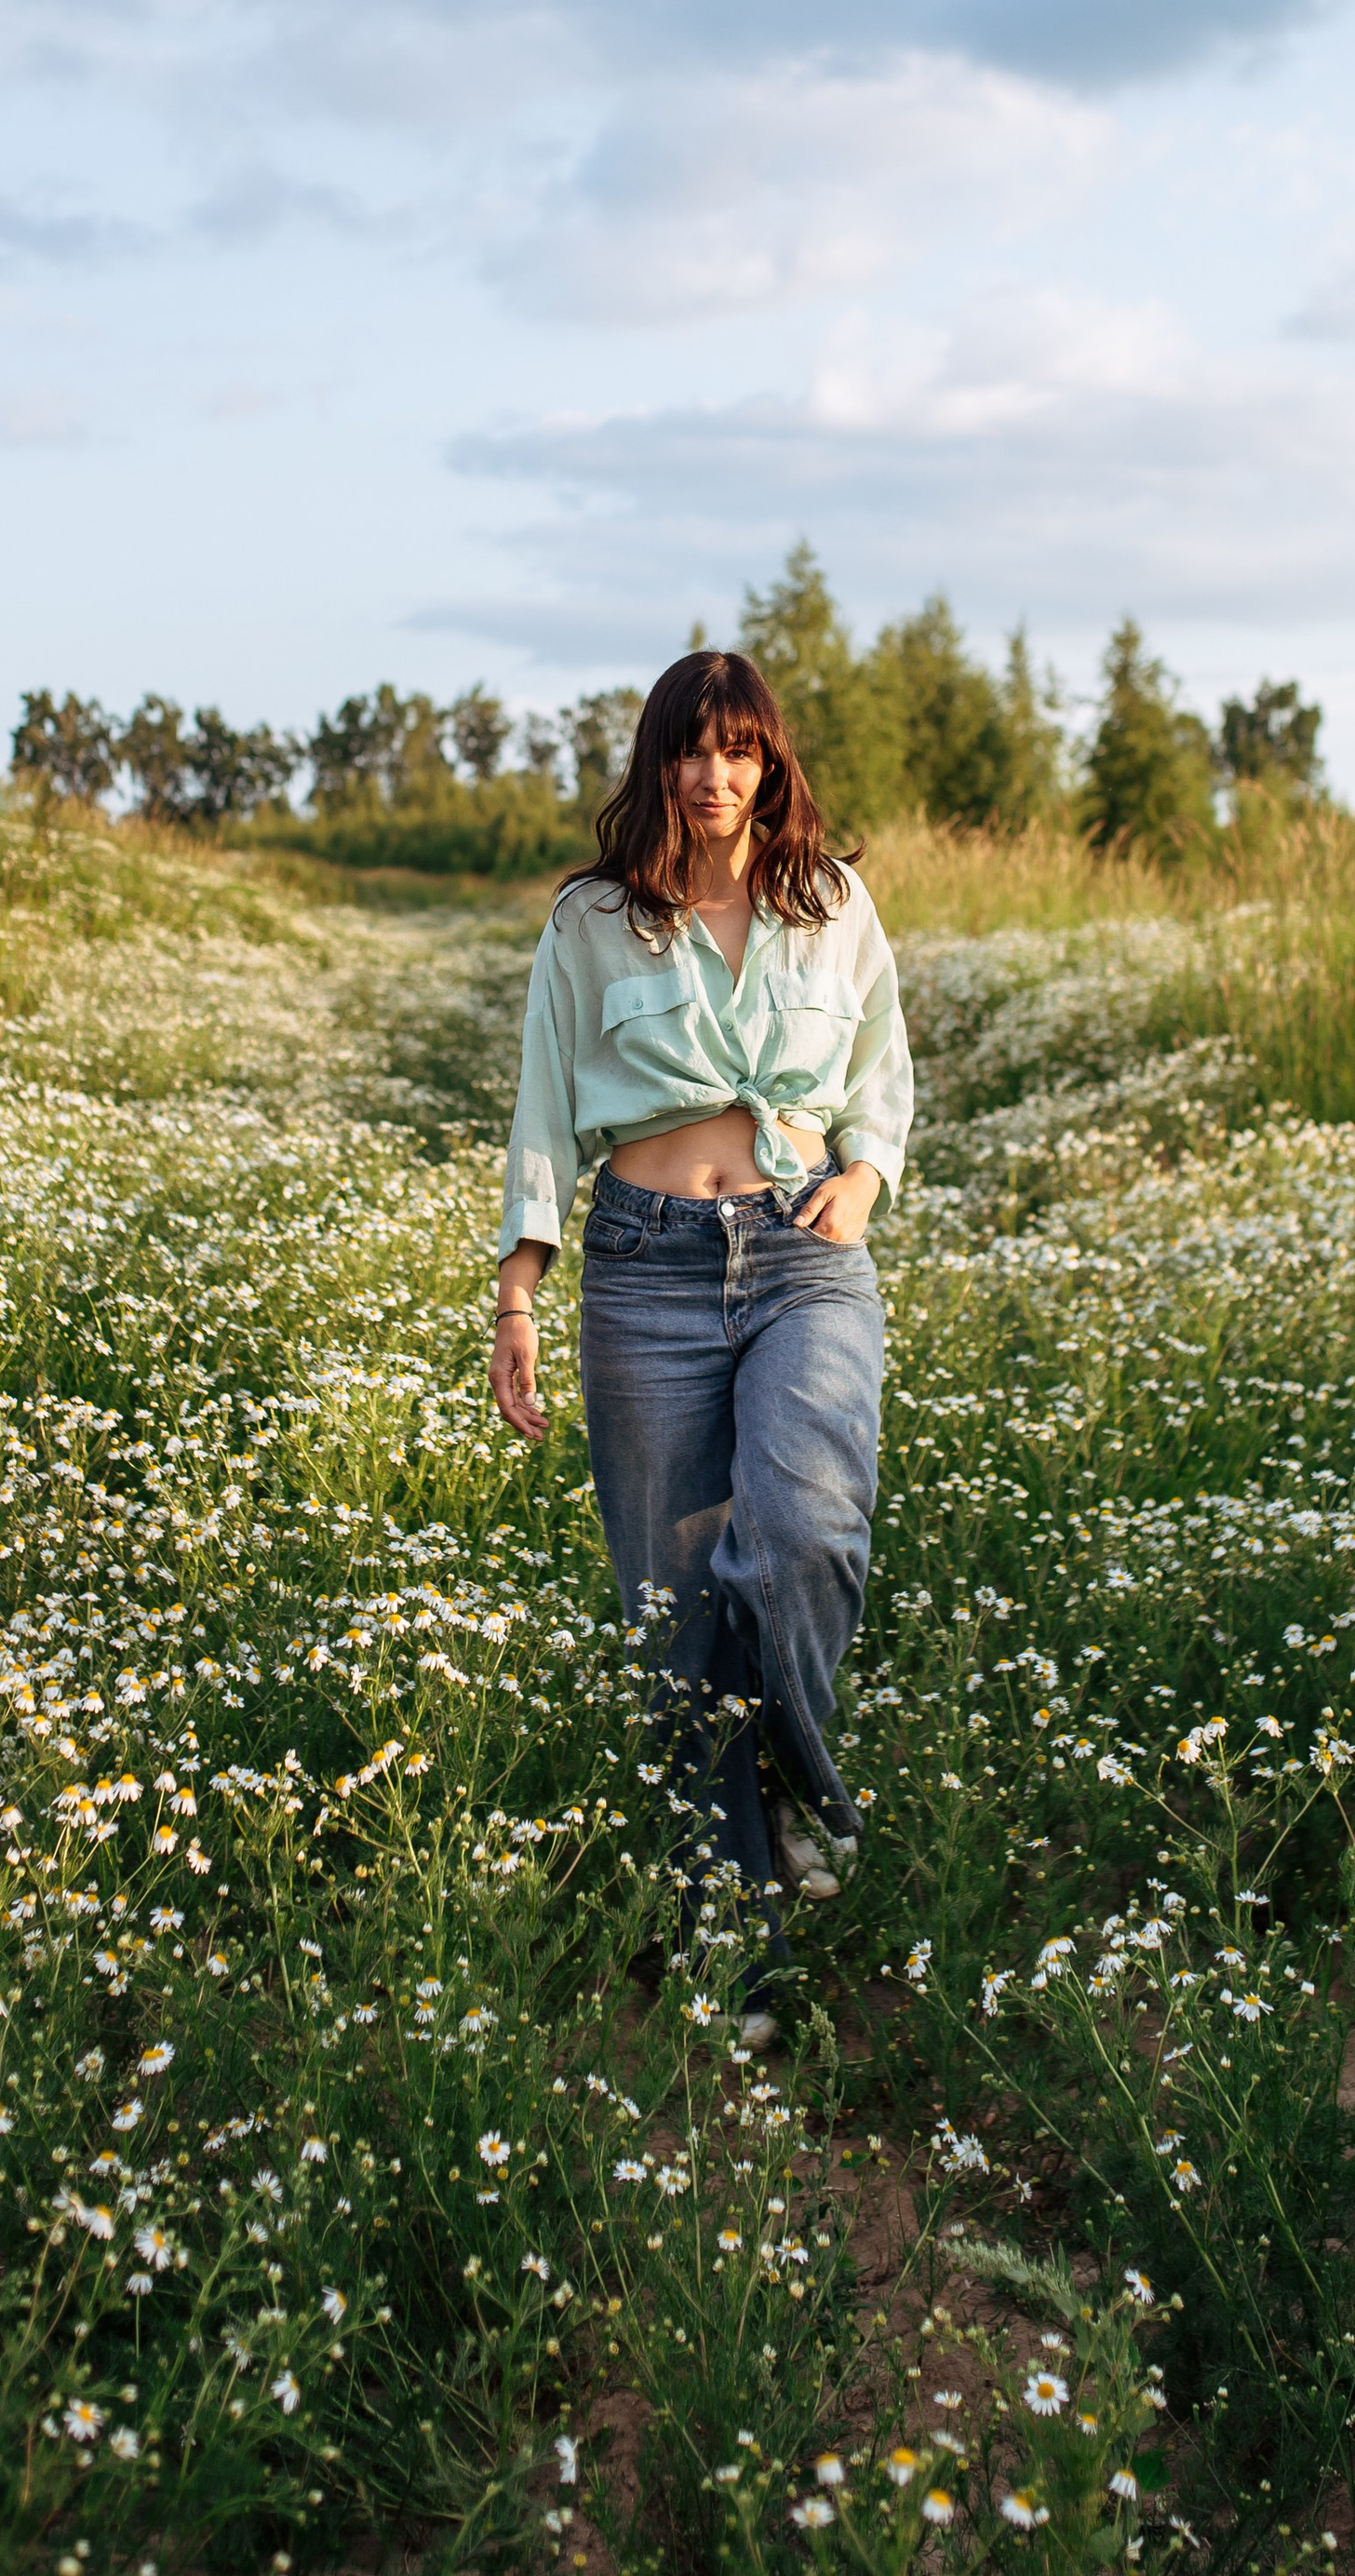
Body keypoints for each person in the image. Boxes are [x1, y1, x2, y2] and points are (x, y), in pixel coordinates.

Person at [490, 648, 913, 2043]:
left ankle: (802, 1778)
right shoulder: (595, 921)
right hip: (647, 1273)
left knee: (798, 1531)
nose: (716, 776)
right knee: (672, 1631)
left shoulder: (830, 900)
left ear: (771, 762)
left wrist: (865, 1176)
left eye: (740, 750)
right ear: (657, 763)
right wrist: (518, 1294)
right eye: (691, 750)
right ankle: (738, 1956)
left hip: (807, 1254)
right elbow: (545, 1110)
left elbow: (881, 1074)